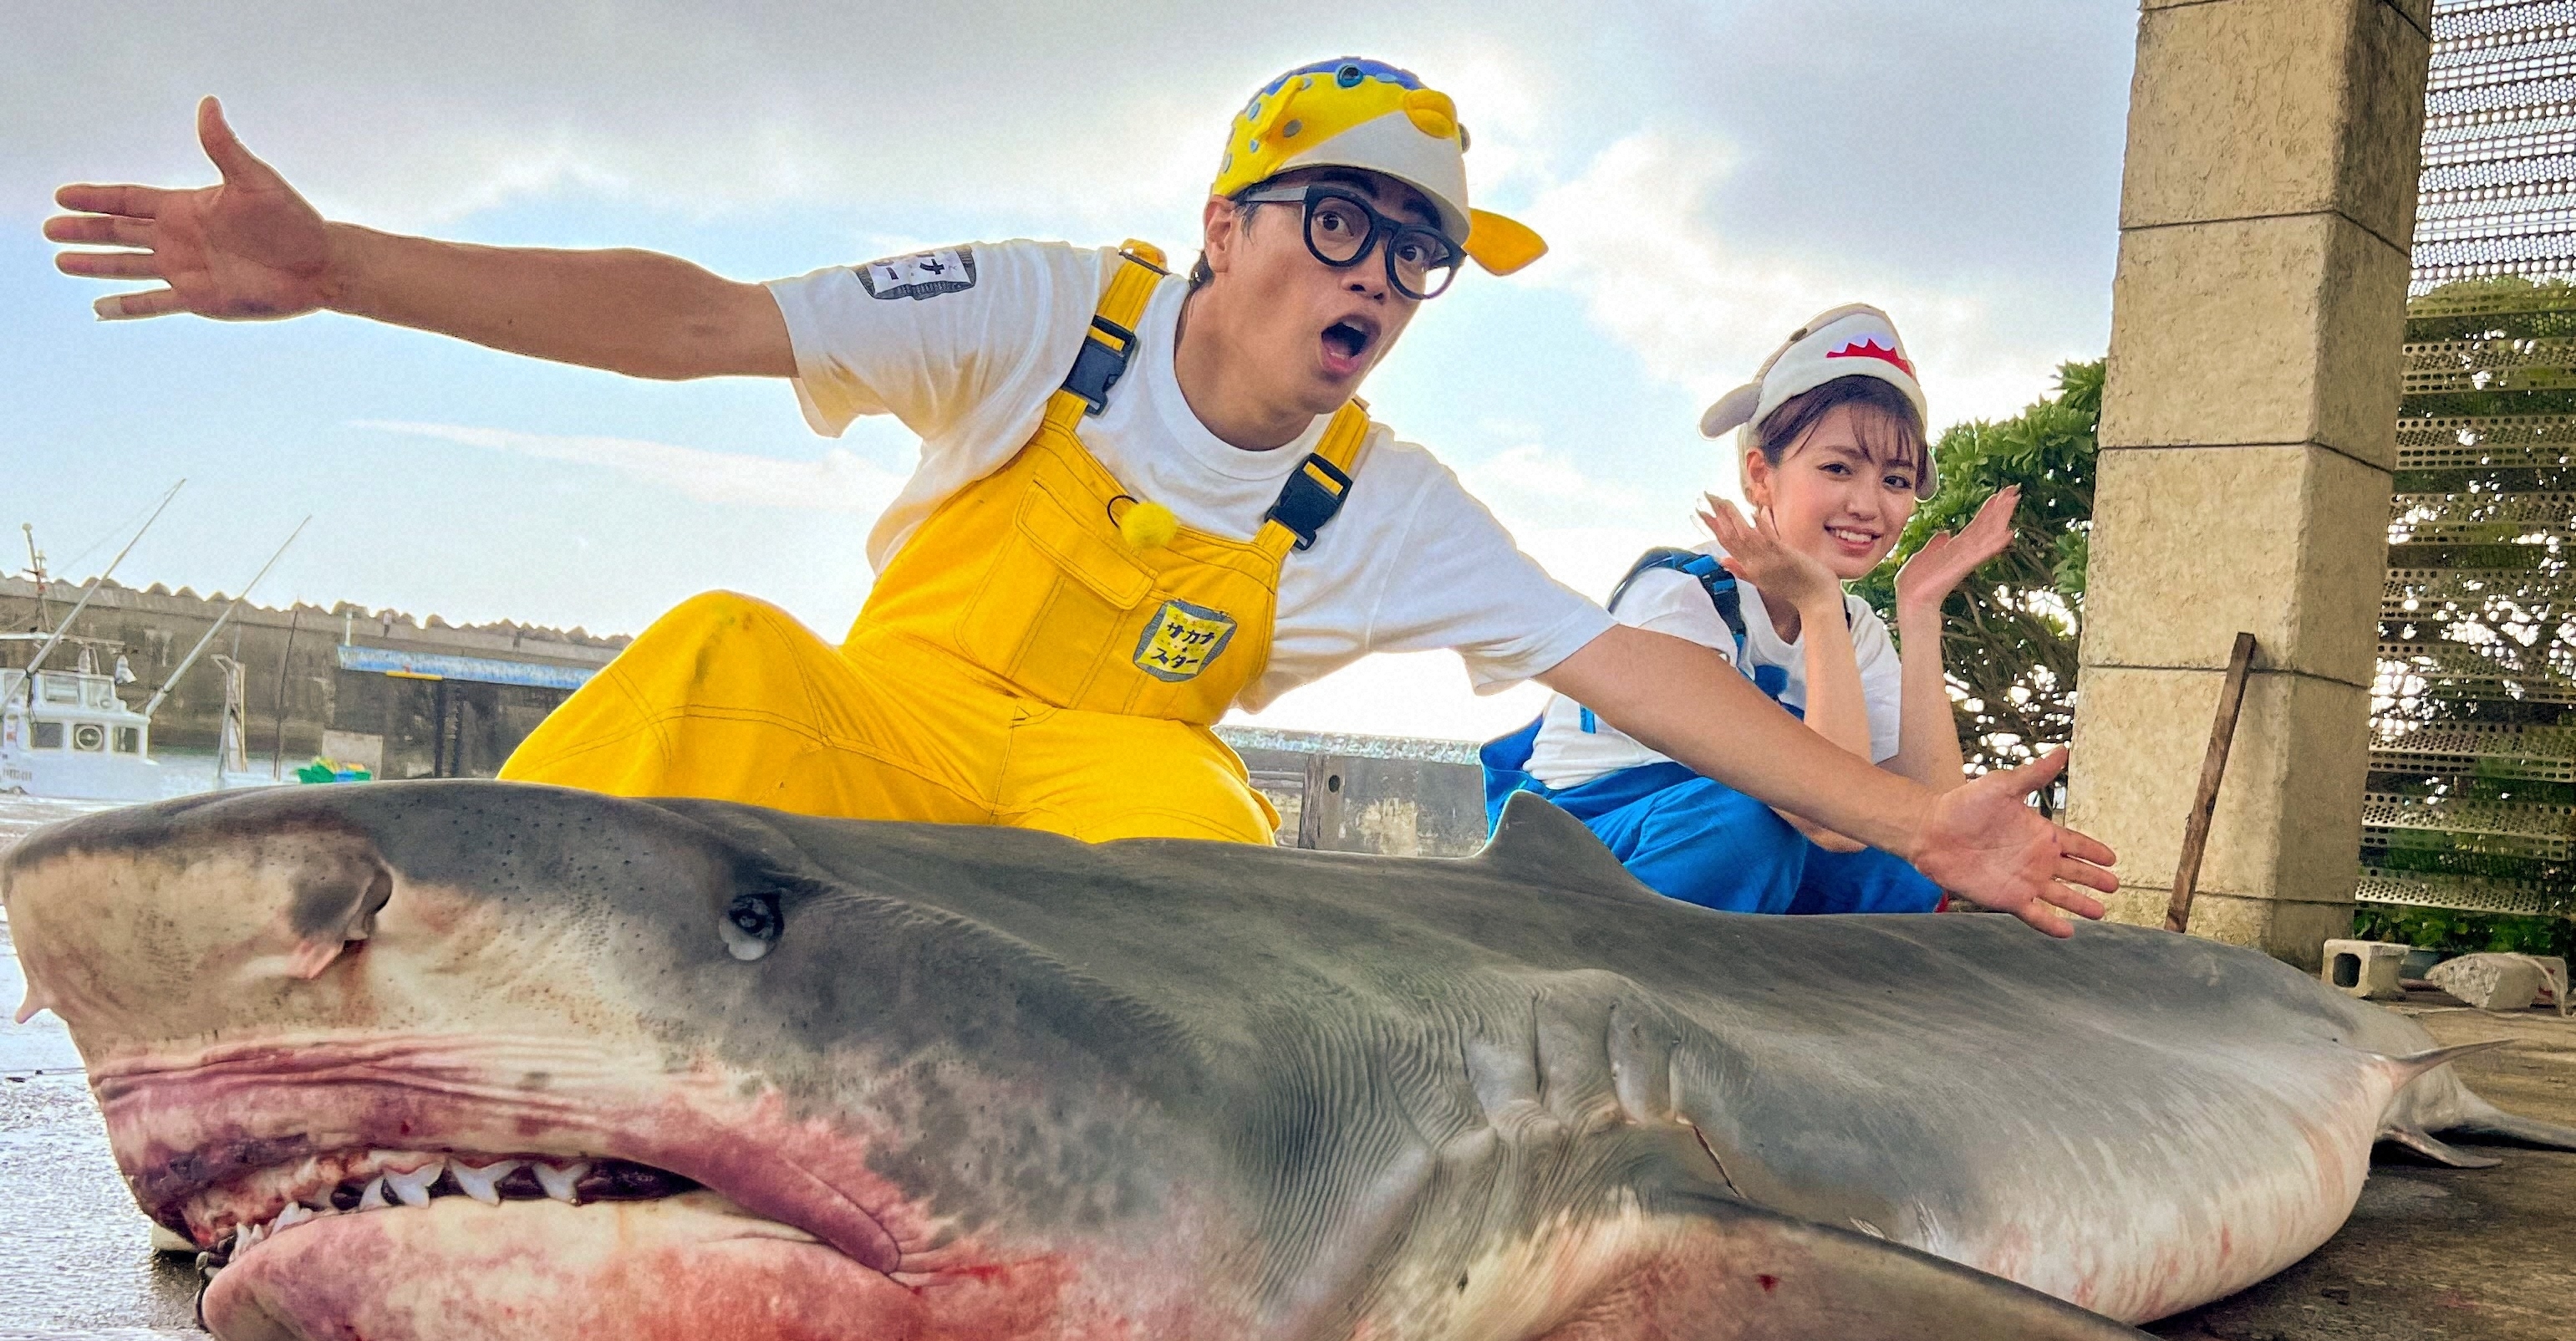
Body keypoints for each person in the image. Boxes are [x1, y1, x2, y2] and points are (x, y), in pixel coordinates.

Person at [45, 61, 2116, 933]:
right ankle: (378, 995)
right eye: (1344, 224)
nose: (1380, 283)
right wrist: (341, 273)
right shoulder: (1043, 313)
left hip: (1113, 778)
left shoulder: (1382, 497)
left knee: (1208, 847)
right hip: (890, 719)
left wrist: (1926, 820)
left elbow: (1656, 692)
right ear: (1224, 225)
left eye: (1419, 260)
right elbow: (694, 321)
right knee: (709, 653)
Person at [1484, 303, 2018, 914]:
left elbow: (1934, 819)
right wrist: (1817, 601)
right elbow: (1831, 819)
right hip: (1584, 843)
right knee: (1753, 827)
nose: (1869, 504)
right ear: (1761, 475)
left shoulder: (1855, 628)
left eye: (1895, 481)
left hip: (1730, 839)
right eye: (1839, 468)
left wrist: (1919, 611)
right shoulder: (1679, 595)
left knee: (1906, 863)